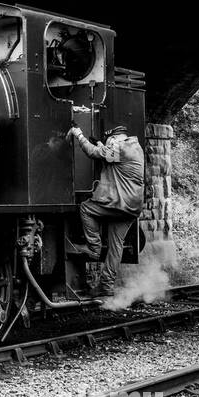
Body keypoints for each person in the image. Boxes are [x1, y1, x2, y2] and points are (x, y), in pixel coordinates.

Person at [66, 123, 145, 296]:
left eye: (110, 142)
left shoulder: (119, 148)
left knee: (86, 208)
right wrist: (102, 144)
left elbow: (93, 153)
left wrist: (79, 135)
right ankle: (106, 286)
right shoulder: (134, 147)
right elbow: (110, 155)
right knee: (116, 247)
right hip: (133, 207)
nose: (109, 145)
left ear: (115, 139)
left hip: (119, 203)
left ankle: (93, 247)